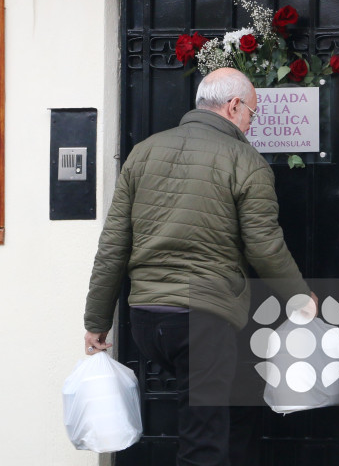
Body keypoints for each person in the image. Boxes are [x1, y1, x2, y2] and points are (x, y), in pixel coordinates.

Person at [83, 67, 313, 466]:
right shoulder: (245, 160)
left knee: (234, 407)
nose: (251, 126)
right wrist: (299, 297)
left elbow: (113, 245)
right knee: (201, 444)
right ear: (234, 105)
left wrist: (96, 319)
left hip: (147, 321)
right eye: (252, 116)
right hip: (202, 320)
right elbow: (264, 245)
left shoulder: (145, 152)